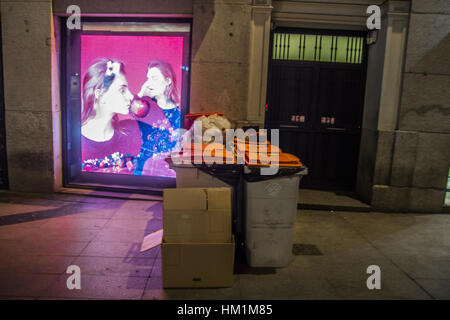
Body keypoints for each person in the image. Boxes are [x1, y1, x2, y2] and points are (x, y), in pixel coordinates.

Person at [81, 59, 141, 174]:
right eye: (122, 90)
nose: (130, 96)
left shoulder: (131, 131)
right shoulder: (76, 142)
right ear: (100, 95)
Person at [133, 60, 182, 176]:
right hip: (142, 169)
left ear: (168, 81)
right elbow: (131, 111)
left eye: (154, 78)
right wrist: (141, 94)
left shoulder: (179, 113)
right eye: (148, 79)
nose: (149, 84)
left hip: (167, 172)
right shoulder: (145, 106)